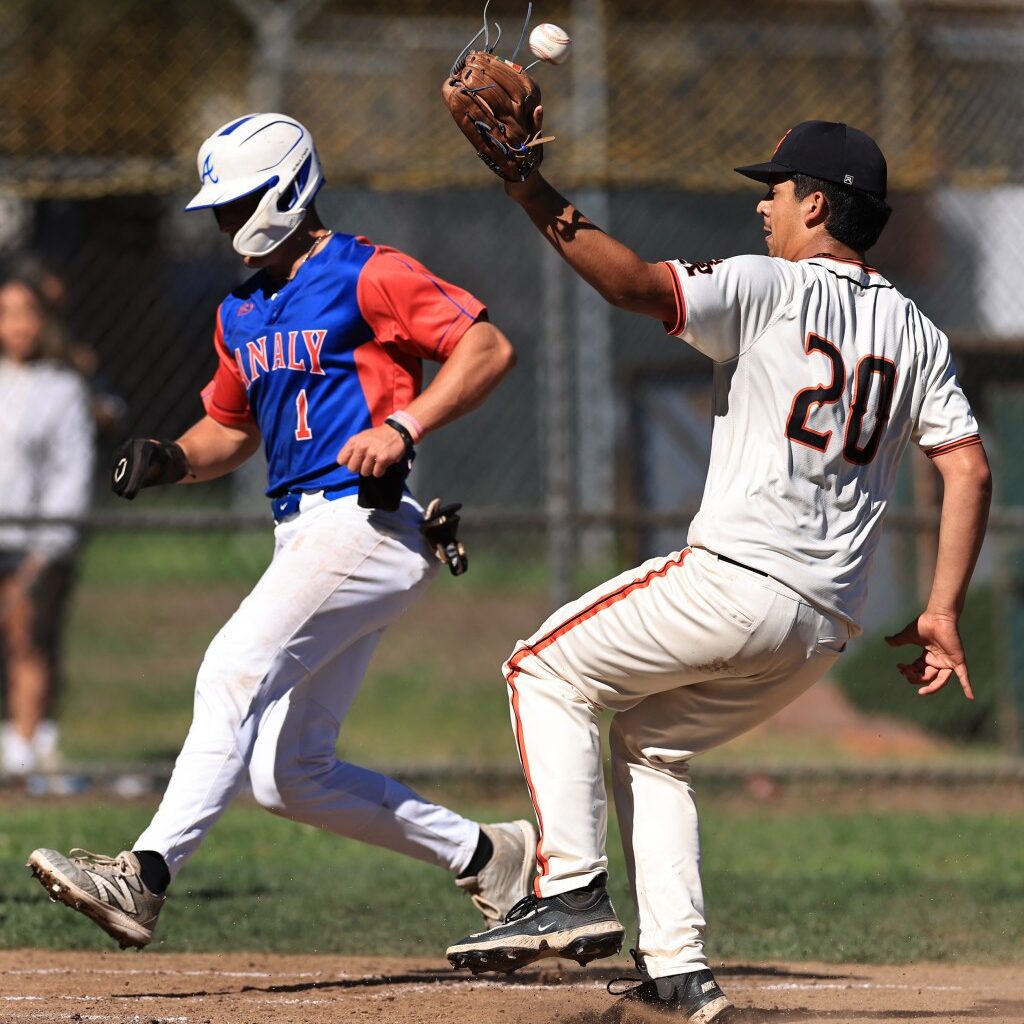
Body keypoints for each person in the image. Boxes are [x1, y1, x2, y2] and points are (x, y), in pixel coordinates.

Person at [445, 120, 991, 1022]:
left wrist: (528, 187)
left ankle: (570, 887)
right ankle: (677, 970)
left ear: (816, 204)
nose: (762, 205)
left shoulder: (769, 286)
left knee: (540, 669)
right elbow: (966, 468)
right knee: (652, 746)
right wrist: (940, 611)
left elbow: (632, 284)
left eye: (775, 190)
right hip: (824, 626)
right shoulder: (918, 332)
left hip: (737, 580)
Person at [26, 112, 533, 949]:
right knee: (286, 775)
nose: (225, 222)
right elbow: (229, 431)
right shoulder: (240, 309)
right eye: (218, 209)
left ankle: (143, 876)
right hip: (304, 534)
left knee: (231, 668)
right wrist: (169, 459)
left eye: (238, 203)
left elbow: (486, 349)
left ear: (289, 189)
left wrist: (403, 426)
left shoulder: (368, 270)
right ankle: (490, 856)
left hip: (364, 520)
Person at [0, 268, 95, 775]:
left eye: (27, 313)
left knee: (28, 641)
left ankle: (23, 753)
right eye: (6, 314)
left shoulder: (63, 389)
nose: (17, 325)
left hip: (31, 541)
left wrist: (46, 549)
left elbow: (70, 475)